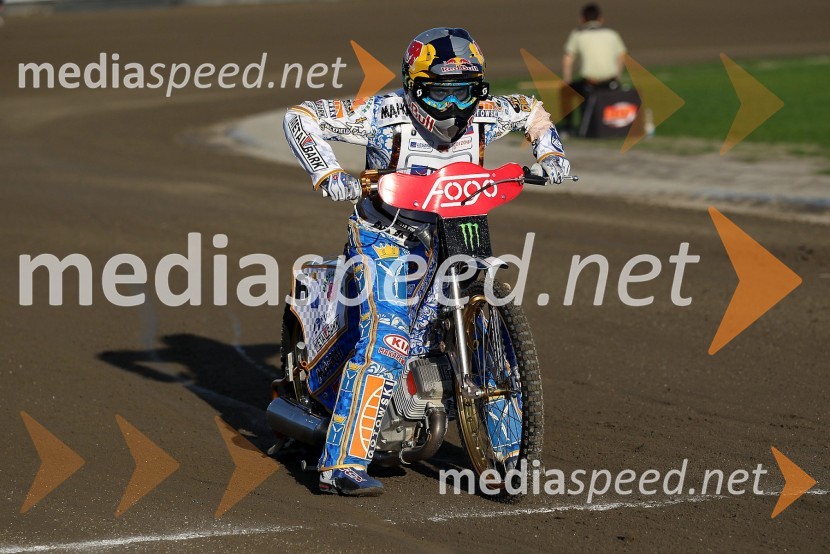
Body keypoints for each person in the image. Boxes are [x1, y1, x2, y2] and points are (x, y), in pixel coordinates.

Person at [283, 27, 570, 496]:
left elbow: (531, 112)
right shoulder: (380, 112)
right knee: (389, 339)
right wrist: (329, 172)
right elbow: (302, 117)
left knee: (480, 330)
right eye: (441, 93)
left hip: (455, 231)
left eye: (466, 93)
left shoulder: (488, 111)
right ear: (414, 87)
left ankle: (505, 449)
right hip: (386, 239)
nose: (455, 108)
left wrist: (551, 150)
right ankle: (341, 465)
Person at [561, 3, 628, 135]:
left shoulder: (578, 35)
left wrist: (567, 81)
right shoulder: (612, 34)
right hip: (611, 83)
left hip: (590, 84)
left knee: (567, 91)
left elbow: (567, 59)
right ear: (600, 19)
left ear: (582, 19)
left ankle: (568, 128)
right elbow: (621, 57)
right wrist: (616, 78)